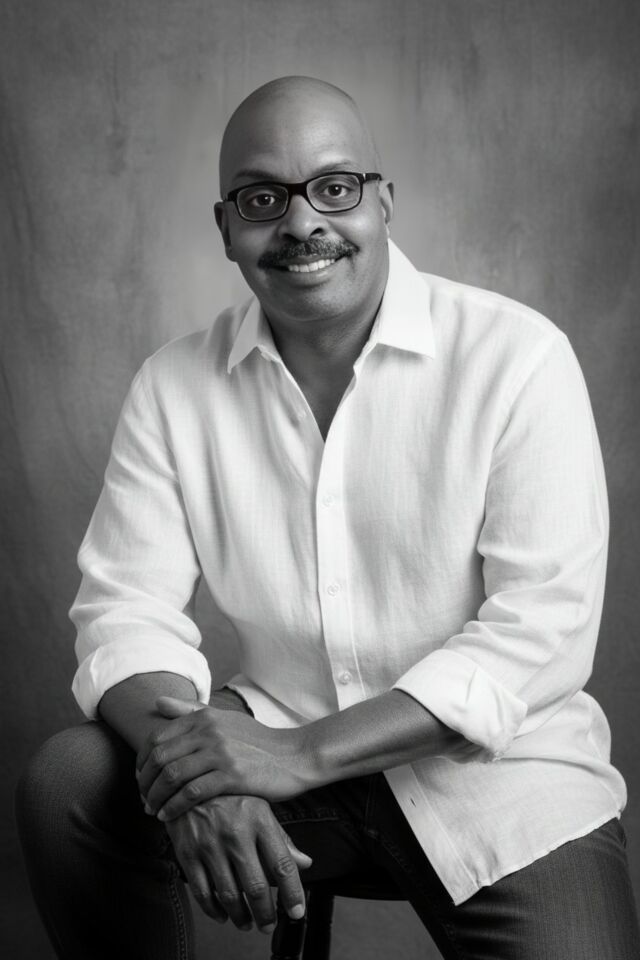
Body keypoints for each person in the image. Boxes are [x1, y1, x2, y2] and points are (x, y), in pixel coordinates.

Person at [16, 75, 640, 959]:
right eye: (262, 199)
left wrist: (300, 754)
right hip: (271, 738)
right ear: (226, 228)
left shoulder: (520, 358)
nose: (303, 222)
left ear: (384, 203)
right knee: (69, 782)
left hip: (501, 782)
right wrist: (208, 772)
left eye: (335, 187)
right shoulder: (173, 385)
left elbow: (544, 630)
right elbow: (126, 609)